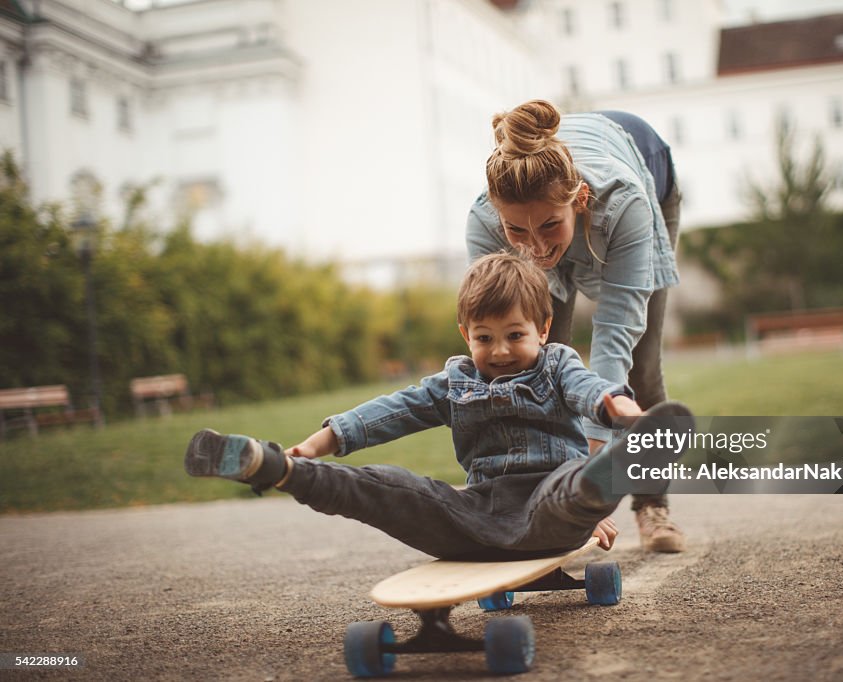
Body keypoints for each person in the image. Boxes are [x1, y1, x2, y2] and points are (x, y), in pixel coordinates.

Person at [184, 253, 691, 559]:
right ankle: (280, 469)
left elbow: (587, 387)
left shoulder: (555, 364)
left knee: (571, 489)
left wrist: (624, 413)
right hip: (477, 513)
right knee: (391, 489)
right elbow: (390, 411)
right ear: (465, 335)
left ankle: (608, 475)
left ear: (543, 330)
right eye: (484, 338)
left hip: (548, 504)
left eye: (515, 335)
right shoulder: (456, 381)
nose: (499, 351)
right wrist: (320, 442)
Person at [466, 99, 685, 552]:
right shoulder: (485, 223)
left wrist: (591, 464)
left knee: (640, 372)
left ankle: (652, 504)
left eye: (549, 225)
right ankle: (537, 501)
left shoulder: (624, 202)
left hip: (646, 168)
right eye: (517, 231)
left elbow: (615, 331)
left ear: (579, 201)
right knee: (533, 362)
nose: (537, 247)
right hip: (569, 189)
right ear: (497, 214)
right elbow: (506, 353)